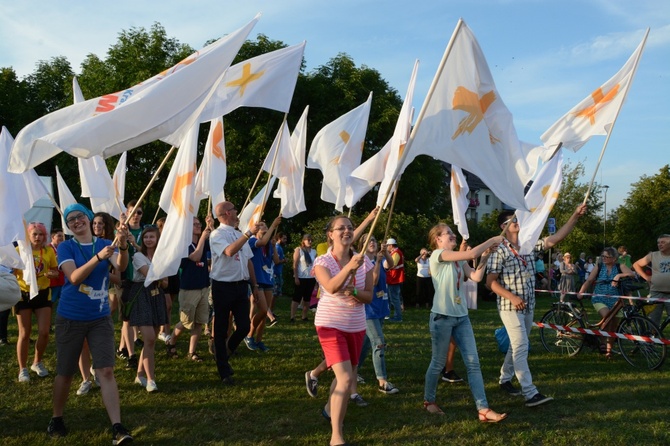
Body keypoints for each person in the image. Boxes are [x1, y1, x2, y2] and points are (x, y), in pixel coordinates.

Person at [486, 204, 586, 407]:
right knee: (521, 346)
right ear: (503, 227)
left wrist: (575, 216)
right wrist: (512, 297)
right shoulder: (499, 250)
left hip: (528, 305)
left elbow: (556, 238)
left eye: (517, 219)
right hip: (509, 306)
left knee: (517, 345)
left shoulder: (528, 245)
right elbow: (490, 282)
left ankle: (505, 379)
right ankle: (530, 393)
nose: (517, 222)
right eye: (512, 221)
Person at [48, 203, 133, 443]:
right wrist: (97, 258)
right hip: (70, 317)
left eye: (80, 216)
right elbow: (74, 277)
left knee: (105, 370)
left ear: (87, 218)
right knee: (65, 372)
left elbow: (121, 266)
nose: (76, 221)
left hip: (100, 317)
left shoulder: (107, 244)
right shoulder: (65, 247)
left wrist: (123, 245)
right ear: (68, 226)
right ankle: (56, 418)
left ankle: (117, 427)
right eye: (70, 219)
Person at [423, 223, 506, 422]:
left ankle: (483, 409)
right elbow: (469, 255)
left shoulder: (457, 260)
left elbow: (476, 277)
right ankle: (429, 401)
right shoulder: (438, 255)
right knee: (437, 363)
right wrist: (492, 240)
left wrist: (485, 255)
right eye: (448, 234)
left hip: (461, 318)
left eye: (452, 232)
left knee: (473, 364)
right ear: (438, 240)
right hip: (442, 318)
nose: (452, 235)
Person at [313, 216, 373, 446]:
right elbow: (330, 286)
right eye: (341, 228)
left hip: (356, 326)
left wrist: (354, 292)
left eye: (350, 228)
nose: (346, 231)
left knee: (343, 378)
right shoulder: (322, 261)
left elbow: (367, 296)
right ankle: (336, 437)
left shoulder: (363, 261)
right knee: (346, 379)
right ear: (330, 234)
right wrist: (350, 267)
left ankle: (330, 409)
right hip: (330, 324)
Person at [209, 201, 261, 385]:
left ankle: (226, 351)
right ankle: (223, 370)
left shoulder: (238, 234)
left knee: (245, 326)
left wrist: (254, 285)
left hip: (240, 286)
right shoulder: (217, 234)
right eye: (235, 209)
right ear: (226, 213)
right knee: (221, 328)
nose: (237, 212)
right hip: (223, 286)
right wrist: (248, 234)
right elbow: (230, 251)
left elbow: (248, 261)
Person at [77, 212, 119, 396]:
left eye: (100, 223)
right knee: (82, 342)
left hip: (101, 298)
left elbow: (119, 276)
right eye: (94, 223)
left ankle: (98, 371)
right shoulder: (79, 245)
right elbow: (73, 275)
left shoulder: (110, 246)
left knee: (97, 340)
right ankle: (85, 378)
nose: (96, 226)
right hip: (80, 298)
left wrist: (96, 267)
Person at [354, 235, 399, 396]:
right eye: (369, 240)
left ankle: (353, 370)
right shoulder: (362, 262)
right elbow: (372, 282)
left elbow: (392, 265)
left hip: (380, 307)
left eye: (374, 239)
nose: (372, 242)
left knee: (366, 344)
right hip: (368, 309)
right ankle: (382, 381)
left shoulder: (377, 259)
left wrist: (385, 252)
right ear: (363, 245)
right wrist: (378, 261)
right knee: (379, 342)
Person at [14, 221, 58, 382]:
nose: (38, 237)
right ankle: (22, 368)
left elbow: (54, 269)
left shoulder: (48, 251)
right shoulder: (20, 251)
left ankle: (37, 362)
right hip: (23, 294)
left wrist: (52, 274)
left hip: (42, 293)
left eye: (41, 234)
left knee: (44, 332)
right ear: (28, 235)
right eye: (35, 234)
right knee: (24, 333)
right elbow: (11, 271)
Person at [166, 216, 214, 362]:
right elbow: (196, 256)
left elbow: (216, 244)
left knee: (199, 321)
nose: (198, 226)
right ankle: (171, 341)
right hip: (189, 288)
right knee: (186, 322)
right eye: (194, 224)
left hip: (204, 286)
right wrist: (203, 238)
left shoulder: (203, 241)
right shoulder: (183, 244)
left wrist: (211, 228)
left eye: (199, 224)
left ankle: (192, 352)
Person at [127, 226, 169, 392]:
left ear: (158, 239)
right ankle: (151, 380)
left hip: (156, 295)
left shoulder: (161, 257)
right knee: (150, 338)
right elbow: (150, 275)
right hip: (141, 296)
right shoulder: (138, 256)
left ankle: (140, 375)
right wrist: (160, 271)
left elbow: (165, 283)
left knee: (150, 340)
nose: (149, 240)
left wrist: (160, 273)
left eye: (152, 237)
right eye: (146, 237)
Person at [578, 246, 635, 357]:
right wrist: (581, 292)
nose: (603, 258)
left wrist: (619, 275)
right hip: (599, 298)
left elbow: (632, 274)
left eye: (606, 256)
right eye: (603, 256)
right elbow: (589, 280)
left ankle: (609, 351)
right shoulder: (599, 266)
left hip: (616, 299)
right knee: (607, 317)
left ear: (614, 258)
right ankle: (603, 343)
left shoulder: (620, 266)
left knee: (613, 326)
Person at [244, 215, 281, 352]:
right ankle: (249, 335)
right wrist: (273, 225)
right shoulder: (252, 240)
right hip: (257, 280)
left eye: (266, 225)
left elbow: (276, 261)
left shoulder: (268, 245)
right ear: (257, 229)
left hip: (267, 279)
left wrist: (274, 247)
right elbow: (260, 243)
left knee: (264, 314)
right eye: (263, 226)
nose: (265, 227)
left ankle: (259, 340)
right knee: (264, 310)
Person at [633, 234, 670, 327]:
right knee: (652, 321)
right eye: (658, 243)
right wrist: (646, 277)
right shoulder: (653, 255)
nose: (660, 244)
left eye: (663, 242)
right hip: (656, 293)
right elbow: (636, 265)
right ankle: (651, 339)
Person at [292, 234, 317, 322]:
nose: (310, 242)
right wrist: (296, 277)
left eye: (311, 240)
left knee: (307, 298)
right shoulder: (299, 250)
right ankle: (292, 316)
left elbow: (316, 265)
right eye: (308, 240)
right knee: (297, 297)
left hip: (311, 277)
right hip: (301, 277)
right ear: (303, 241)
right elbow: (295, 264)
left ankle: (304, 316)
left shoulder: (314, 251)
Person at [384, 238, 405, 321]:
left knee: (394, 299)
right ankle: (397, 316)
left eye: (388, 246)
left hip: (394, 278)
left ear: (391, 245)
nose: (387, 247)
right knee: (394, 298)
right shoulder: (396, 252)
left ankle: (398, 317)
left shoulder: (396, 253)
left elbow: (392, 265)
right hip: (394, 278)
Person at [271, 231, 287, 322]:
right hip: (275, 273)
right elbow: (276, 261)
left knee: (276, 294)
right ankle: (269, 311)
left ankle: (271, 311)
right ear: (279, 238)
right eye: (284, 238)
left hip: (278, 272)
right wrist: (284, 260)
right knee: (274, 294)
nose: (285, 240)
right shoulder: (277, 247)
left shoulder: (280, 247)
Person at [48, 228, 66, 308]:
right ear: (52, 237)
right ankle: (47, 319)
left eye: (62, 236)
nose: (61, 238)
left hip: (62, 280)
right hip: (52, 281)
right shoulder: (47, 249)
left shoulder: (64, 248)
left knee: (64, 302)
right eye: (59, 236)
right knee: (50, 303)